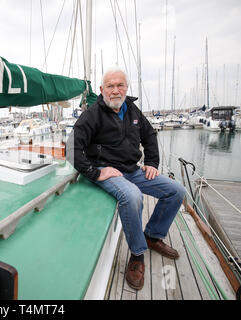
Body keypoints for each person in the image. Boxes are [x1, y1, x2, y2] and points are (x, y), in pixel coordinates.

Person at [67, 67, 186, 290]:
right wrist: (96, 172)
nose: (115, 90)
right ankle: (138, 253)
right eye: (110, 86)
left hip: (132, 169)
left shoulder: (131, 109)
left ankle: (152, 235)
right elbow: (72, 148)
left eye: (119, 85)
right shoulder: (92, 114)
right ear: (102, 90)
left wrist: (152, 162)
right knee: (132, 196)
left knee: (176, 191)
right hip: (107, 171)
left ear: (126, 88)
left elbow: (149, 135)